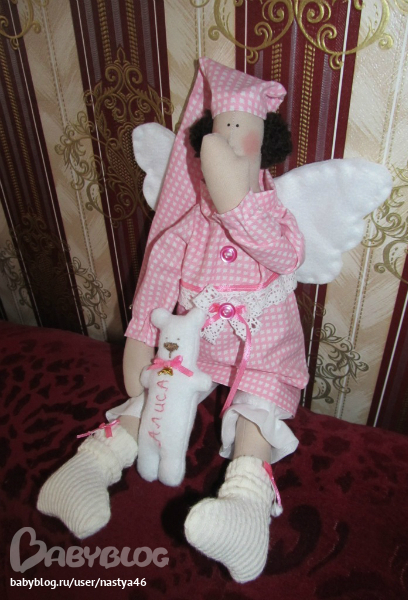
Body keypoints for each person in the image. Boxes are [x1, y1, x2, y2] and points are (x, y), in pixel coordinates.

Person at [38, 58, 309, 583]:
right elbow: (158, 280)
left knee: (257, 413)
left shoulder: (275, 214)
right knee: (156, 394)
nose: (227, 147)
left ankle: (245, 506)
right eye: (219, 137)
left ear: (265, 146)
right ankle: (91, 466)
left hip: (263, 349)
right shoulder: (187, 225)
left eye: (240, 136)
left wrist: (236, 204)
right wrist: (142, 342)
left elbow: (285, 256)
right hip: (194, 343)